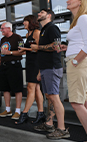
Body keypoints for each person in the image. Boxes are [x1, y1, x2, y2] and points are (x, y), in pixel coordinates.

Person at [58, 0, 87, 142]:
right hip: (79, 62)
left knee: (76, 103)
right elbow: (81, 43)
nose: (67, 0)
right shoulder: (78, 20)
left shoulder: (83, 18)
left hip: (79, 64)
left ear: (81, 2)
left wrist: (75, 61)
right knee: (86, 103)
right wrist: (66, 48)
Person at [30, 9, 70, 139]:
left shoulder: (52, 28)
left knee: (54, 97)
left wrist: (38, 47)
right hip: (46, 68)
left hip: (52, 68)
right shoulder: (44, 30)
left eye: (41, 12)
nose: (38, 14)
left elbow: (57, 47)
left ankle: (62, 129)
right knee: (49, 96)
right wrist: (40, 71)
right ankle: (49, 123)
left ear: (48, 15)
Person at [15, 15, 45, 125]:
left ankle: (24, 113)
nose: (23, 23)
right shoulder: (28, 34)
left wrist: (25, 49)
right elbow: (28, 50)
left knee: (30, 87)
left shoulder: (37, 32)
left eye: (25, 21)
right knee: (36, 88)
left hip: (36, 63)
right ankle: (41, 113)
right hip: (30, 62)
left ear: (30, 22)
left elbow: (39, 49)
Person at [0, 22, 24, 120]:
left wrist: (10, 52)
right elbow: (1, 53)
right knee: (5, 88)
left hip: (14, 65)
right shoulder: (2, 40)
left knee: (17, 89)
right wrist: (0, 62)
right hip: (4, 66)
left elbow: (23, 51)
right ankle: (7, 109)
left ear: (9, 28)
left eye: (3, 28)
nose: (1, 30)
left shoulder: (18, 38)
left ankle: (17, 111)